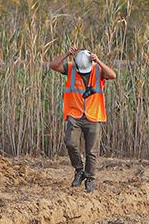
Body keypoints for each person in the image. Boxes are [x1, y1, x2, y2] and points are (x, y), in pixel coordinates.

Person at [47, 47, 116, 190]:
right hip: (75, 114)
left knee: (92, 151)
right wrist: (66, 54)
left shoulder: (98, 69)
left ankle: (90, 178)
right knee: (70, 143)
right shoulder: (71, 68)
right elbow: (53, 65)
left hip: (93, 115)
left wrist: (98, 61)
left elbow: (112, 75)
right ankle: (79, 170)